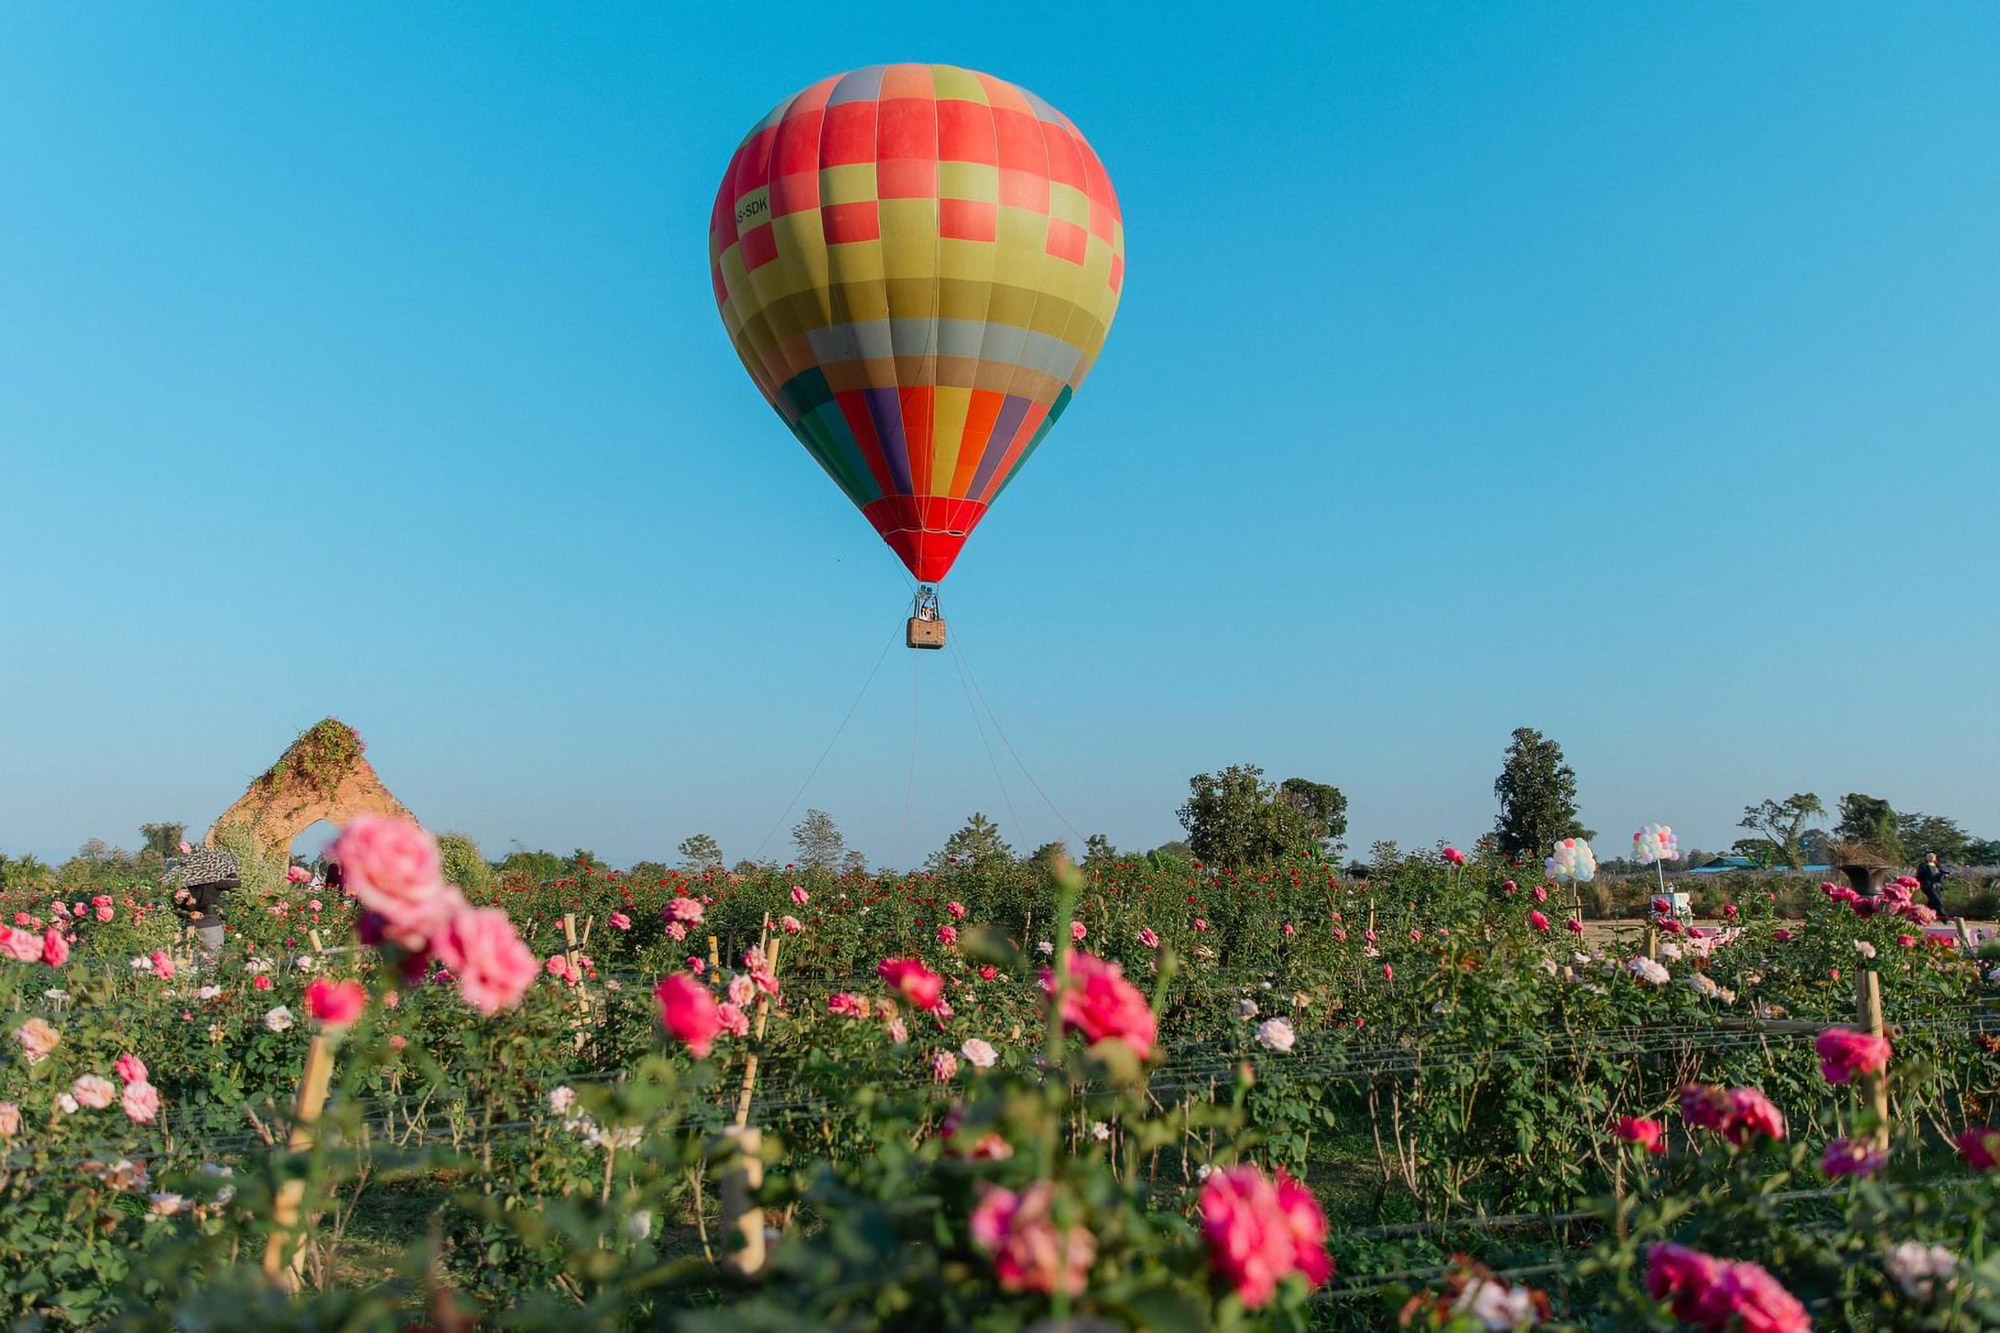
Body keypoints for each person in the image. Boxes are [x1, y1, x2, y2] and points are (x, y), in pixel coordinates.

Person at [161, 838, 241, 968]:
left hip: (189, 925)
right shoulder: (214, 881)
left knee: (190, 964)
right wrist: (228, 868)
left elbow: (177, 907)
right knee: (212, 962)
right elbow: (236, 882)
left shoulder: (183, 882)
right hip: (210, 925)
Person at [1916, 851, 1949, 918]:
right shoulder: (1923, 865)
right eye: (1929, 856)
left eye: (1933, 856)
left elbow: (1940, 875)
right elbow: (1920, 876)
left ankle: (1924, 916)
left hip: (1937, 886)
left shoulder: (1937, 866)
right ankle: (1945, 919)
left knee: (1932, 903)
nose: (1931, 857)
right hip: (1929, 886)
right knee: (1937, 902)